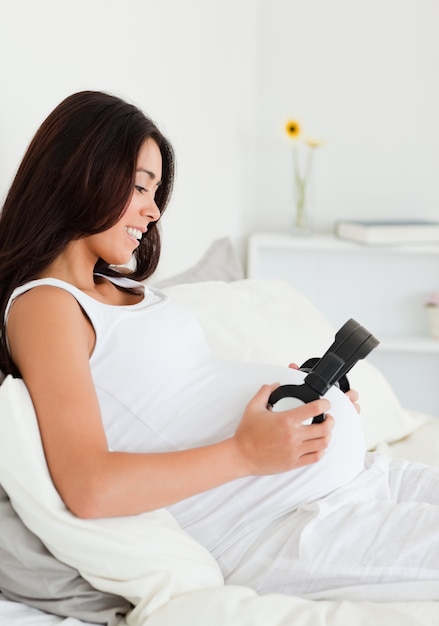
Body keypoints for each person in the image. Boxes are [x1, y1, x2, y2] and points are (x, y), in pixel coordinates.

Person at [0, 91, 438, 602]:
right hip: (280, 525)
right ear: (80, 172)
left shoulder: (120, 290)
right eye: (141, 187)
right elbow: (90, 486)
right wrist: (247, 453)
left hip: (354, 479)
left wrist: (313, 403)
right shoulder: (45, 306)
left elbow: (183, 397)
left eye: (156, 190)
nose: (153, 209)